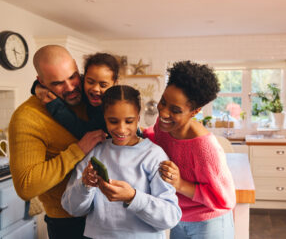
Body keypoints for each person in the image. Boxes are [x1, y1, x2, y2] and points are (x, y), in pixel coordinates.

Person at [8, 45, 107, 239]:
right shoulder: (27, 118)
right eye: (58, 83)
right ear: (41, 82)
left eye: (72, 77)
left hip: (110, 214)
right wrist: (77, 150)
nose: (70, 88)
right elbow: (26, 187)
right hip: (69, 223)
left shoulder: (89, 98)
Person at [61, 85, 181, 239]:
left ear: (138, 118)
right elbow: (72, 208)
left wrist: (133, 197)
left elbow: (170, 217)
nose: (121, 129)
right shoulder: (96, 152)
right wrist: (85, 185)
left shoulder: (154, 156)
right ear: (105, 118)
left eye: (129, 121)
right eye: (113, 121)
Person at [144, 61, 236, 238]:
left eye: (175, 110)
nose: (163, 113)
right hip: (177, 216)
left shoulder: (204, 148)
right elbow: (156, 139)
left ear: (195, 111)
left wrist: (179, 184)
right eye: (163, 102)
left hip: (209, 222)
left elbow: (224, 198)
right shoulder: (163, 126)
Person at [33, 52, 120, 139]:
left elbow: (87, 133)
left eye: (103, 85)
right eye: (90, 82)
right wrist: (38, 87)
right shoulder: (81, 85)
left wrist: (56, 107)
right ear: (83, 77)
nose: (95, 88)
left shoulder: (115, 108)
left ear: (115, 83)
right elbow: (50, 80)